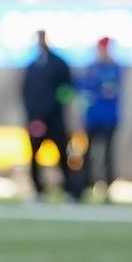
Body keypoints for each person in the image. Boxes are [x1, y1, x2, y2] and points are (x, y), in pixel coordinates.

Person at [21, 30, 77, 201]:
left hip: (55, 118)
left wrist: (54, 108)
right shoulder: (32, 67)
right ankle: (37, 189)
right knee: (34, 155)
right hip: (36, 119)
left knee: (62, 154)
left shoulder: (59, 64)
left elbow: (66, 91)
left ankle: (69, 189)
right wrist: (33, 114)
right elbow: (26, 92)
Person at [78, 37, 123, 199]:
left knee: (107, 154)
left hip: (109, 119)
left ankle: (108, 188)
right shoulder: (91, 69)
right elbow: (84, 90)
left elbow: (111, 91)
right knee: (88, 153)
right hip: (92, 118)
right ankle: (86, 186)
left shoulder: (113, 68)